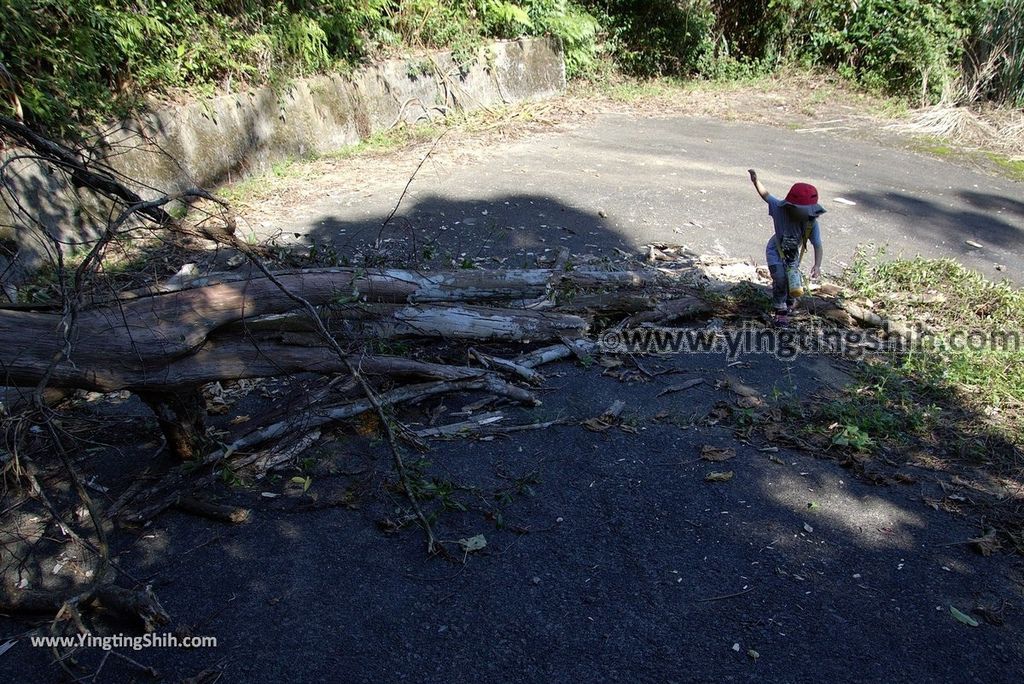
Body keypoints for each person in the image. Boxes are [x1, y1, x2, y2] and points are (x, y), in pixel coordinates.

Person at [748, 169, 826, 324]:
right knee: (780, 278)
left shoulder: (811, 223)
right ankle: (780, 309)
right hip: (775, 250)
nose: (804, 215)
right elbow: (766, 195)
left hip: (792, 254)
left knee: (793, 282)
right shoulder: (779, 208)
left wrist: (817, 265)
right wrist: (756, 181)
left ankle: (790, 302)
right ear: (791, 206)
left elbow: (818, 245)